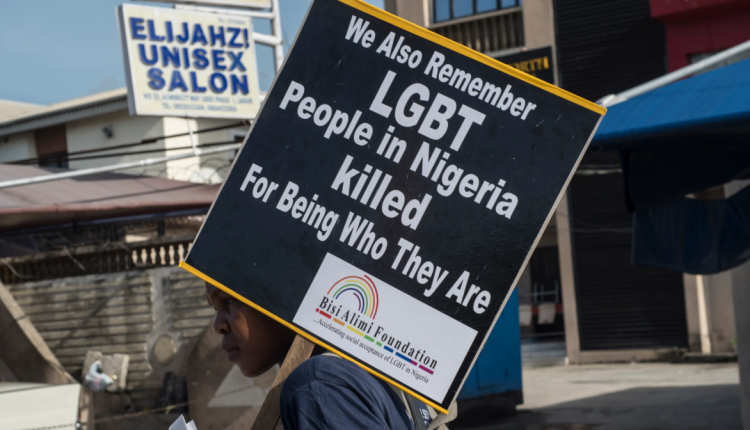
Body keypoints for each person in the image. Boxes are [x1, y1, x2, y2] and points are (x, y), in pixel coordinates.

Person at [206, 283, 456, 430]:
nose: (218, 325)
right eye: (215, 308)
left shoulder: (319, 386)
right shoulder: (363, 371)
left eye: (229, 300)